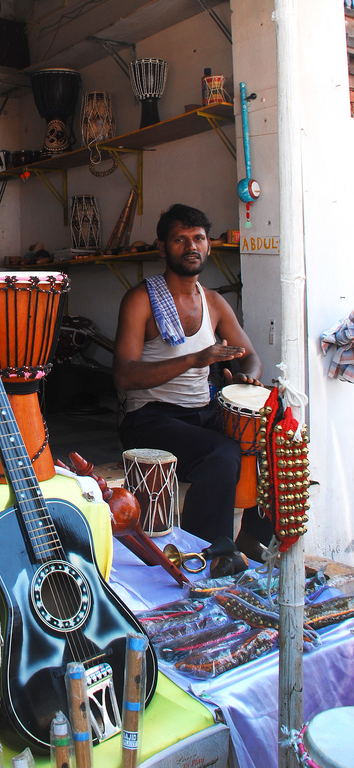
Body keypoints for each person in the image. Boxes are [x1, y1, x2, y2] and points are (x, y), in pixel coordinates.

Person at [113, 203, 263, 544]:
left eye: (198, 238)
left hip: (203, 412)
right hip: (149, 418)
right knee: (222, 454)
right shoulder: (140, 300)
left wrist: (247, 380)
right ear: (163, 247)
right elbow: (124, 376)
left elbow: (251, 355)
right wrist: (194, 360)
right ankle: (204, 550)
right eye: (180, 239)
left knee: (269, 440)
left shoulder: (213, 302)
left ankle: (255, 542)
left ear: (208, 245)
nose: (191, 246)